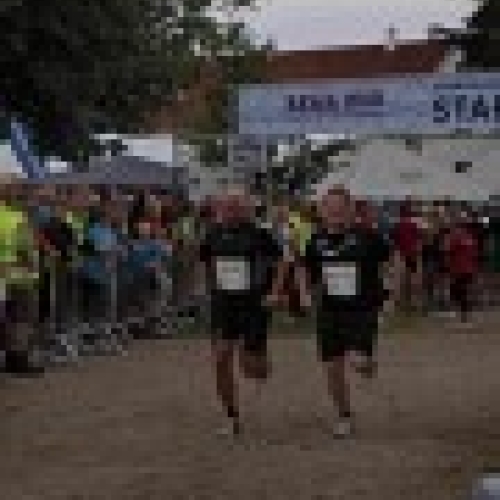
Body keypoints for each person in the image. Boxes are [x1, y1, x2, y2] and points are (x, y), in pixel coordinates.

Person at [296, 186, 395, 438]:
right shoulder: (316, 240)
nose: (335, 212)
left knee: (357, 361)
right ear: (322, 211)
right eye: (330, 208)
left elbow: (392, 262)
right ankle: (344, 416)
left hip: (362, 309)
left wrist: (390, 292)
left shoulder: (368, 236)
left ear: (350, 209)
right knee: (332, 367)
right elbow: (304, 268)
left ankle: (367, 363)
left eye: (340, 207)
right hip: (329, 310)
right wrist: (305, 293)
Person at [198, 185, 284, 436]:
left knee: (250, 367)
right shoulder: (212, 233)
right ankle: (231, 416)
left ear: (247, 208)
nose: (231, 210)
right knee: (220, 358)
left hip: (254, 305)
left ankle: (262, 364)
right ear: (220, 208)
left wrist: (274, 292)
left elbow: (281, 262)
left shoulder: (260, 234)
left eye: (237, 206)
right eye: (227, 206)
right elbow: (205, 261)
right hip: (223, 304)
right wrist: (204, 286)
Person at [443, 212, 480, 327]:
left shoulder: (457, 236)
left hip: (459, 268)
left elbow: (448, 250)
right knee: (463, 291)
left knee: (458, 291)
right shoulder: (469, 237)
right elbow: (475, 253)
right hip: (468, 268)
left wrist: (448, 263)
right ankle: (464, 313)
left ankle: (464, 314)